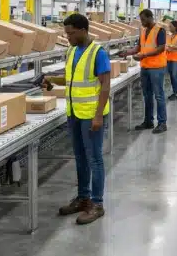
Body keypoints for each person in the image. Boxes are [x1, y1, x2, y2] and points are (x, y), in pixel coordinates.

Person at [55, 13, 111, 224]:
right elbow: (71, 79)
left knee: (94, 159)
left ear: (83, 31)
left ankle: (97, 204)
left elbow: (105, 85)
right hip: (74, 114)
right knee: (80, 158)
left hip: (91, 116)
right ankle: (83, 197)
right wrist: (52, 79)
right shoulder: (71, 50)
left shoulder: (98, 53)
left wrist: (98, 116)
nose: (67, 37)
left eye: (70, 33)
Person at [119, 9, 168, 134]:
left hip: (157, 67)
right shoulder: (143, 30)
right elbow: (139, 47)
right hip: (145, 67)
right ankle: (148, 121)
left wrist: (143, 55)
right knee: (147, 95)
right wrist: (128, 52)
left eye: (143, 19)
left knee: (158, 95)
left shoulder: (160, 30)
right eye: (141, 20)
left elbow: (161, 48)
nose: (142, 22)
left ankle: (162, 123)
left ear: (150, 17)